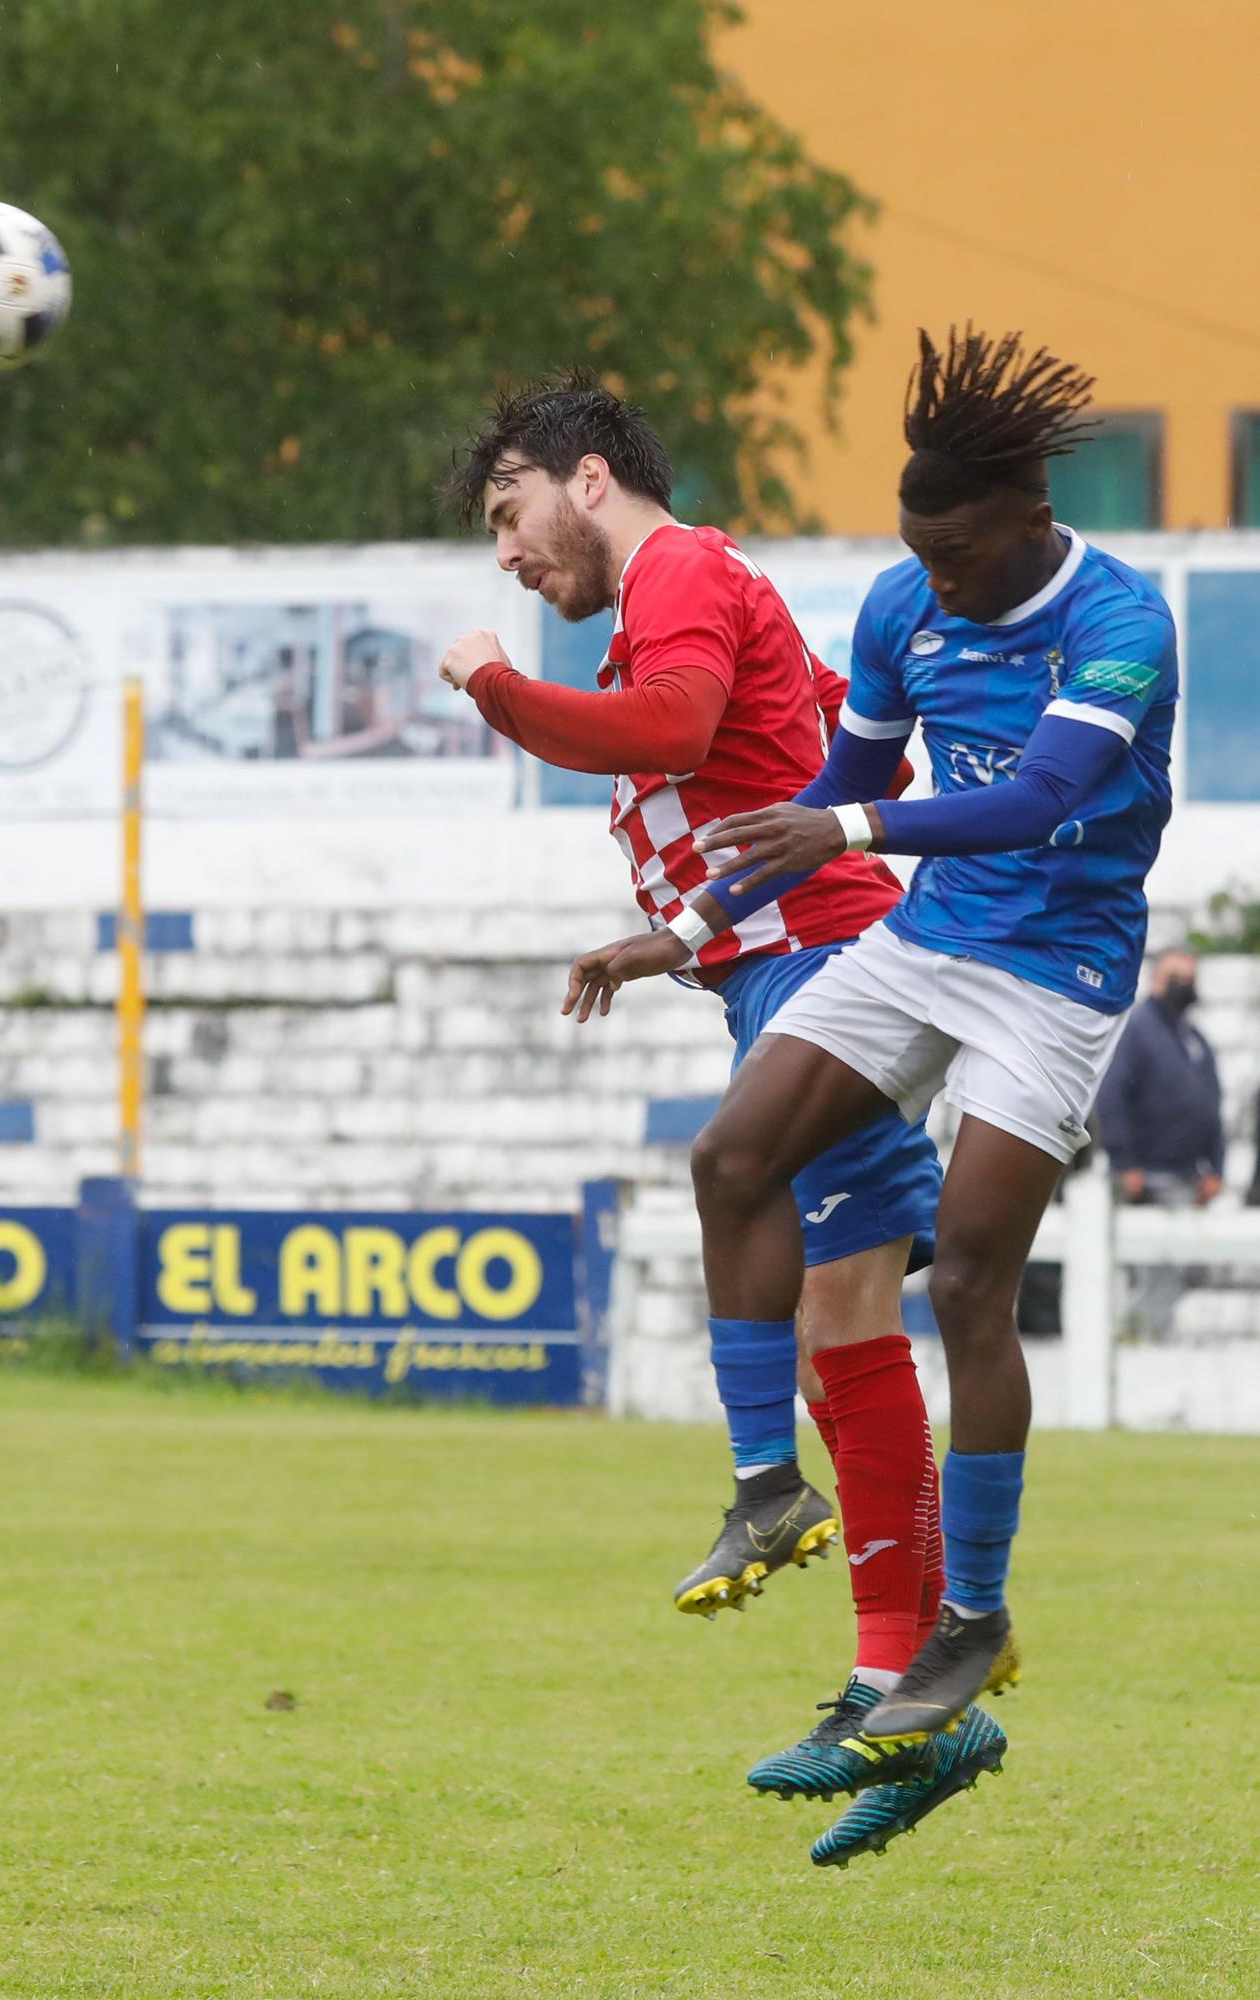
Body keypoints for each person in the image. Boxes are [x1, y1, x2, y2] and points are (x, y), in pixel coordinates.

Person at [564, 328, 1178, 1819]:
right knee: (732, 1158)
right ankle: (770, 1488)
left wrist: (843, 839)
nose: (939, 582)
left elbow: (1035, 797)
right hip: (926, 936)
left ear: (1029, 519)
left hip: (1057, 969)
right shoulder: (905, 600)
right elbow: (847, 778)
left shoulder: (1119, 620)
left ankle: (968, 1624)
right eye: (922, 555)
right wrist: (691, 923)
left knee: (966, 1281)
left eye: (961, 556)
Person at [439, 372, 1003, 1869]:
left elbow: (669, 725)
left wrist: (494, 684)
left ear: (587, 480)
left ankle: (781, 1510)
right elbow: (778, 774)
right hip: (795, 955)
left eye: (510, 513)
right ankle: (913, 1690)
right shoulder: (679, 589)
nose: (507, 553)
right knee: (843, 1322)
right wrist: (674, 935)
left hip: (835, 965)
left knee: (753, 1199)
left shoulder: (677, 568)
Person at [1097, 947, 1224, 1337]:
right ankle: (1140, 1347)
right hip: (1148, 1178)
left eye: (1190, 979)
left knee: (1177, 1275)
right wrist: (1125, 1163)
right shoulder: (1136, 1029)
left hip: (1188, 1178)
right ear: (1155, 980)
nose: (1183, 987)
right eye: (1175, 978)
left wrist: (1216, 1169)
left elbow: (1212, 1105)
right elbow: (1112, 1097)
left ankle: (1154, 1348)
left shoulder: (1193, 1037)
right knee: (1155, 1276)